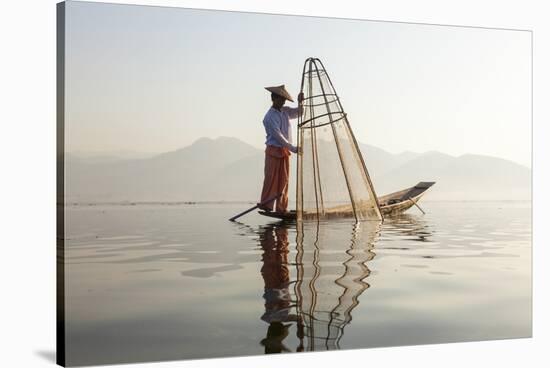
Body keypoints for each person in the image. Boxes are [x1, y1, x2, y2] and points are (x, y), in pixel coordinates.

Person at [259, 85, 304, 213]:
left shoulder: (285, 111)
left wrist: (301, 102)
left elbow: (299, 113)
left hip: (284, 150)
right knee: (271, 178)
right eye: (281, 99)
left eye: (284, 99)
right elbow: (278, 136)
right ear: (274, 99)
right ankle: (266, 205)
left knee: (284, 180)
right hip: (273, 150)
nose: (283, 101)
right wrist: (294, 149)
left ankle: (281, 208)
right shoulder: (269, 117)